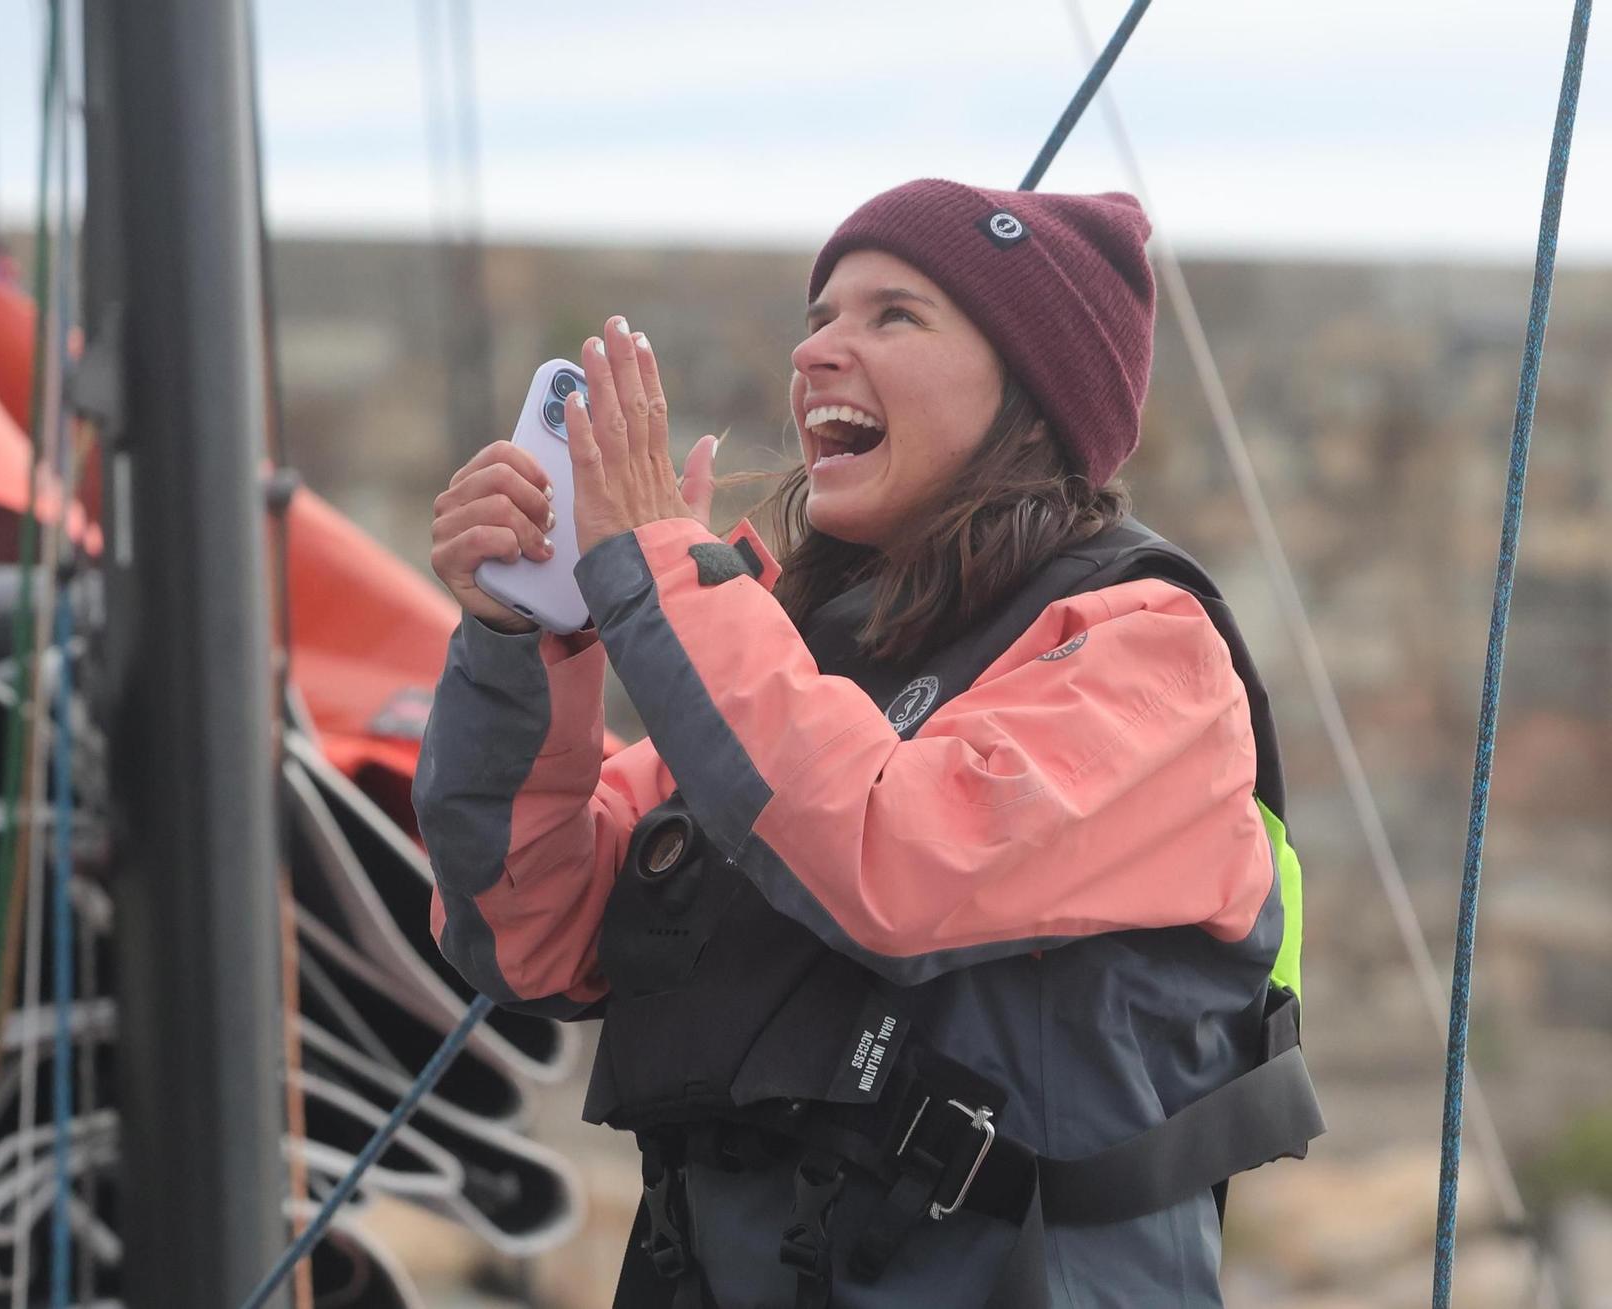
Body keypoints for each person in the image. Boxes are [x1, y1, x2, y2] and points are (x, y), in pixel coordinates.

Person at [413, 179, 1321, 1309]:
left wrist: (660, 574)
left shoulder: (1147, 652)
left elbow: (900, 858)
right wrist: (522, 644)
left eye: (892, 315)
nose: (818, 354)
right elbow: (525, 930)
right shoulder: (790, 655)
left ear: (1032, 390)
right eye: (817, 321)